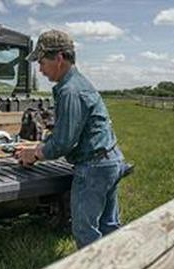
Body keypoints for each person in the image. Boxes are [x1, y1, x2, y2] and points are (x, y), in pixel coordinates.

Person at [16, 29, 131, 249]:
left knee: (84, 229)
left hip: (93, 167)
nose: (40, 70)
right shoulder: (78, 83)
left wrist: (33, 154)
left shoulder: (70, 91)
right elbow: (69, 132)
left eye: (41, 62)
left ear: (59, 58)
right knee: (109, 224)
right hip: (110, 160)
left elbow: (63, 143)